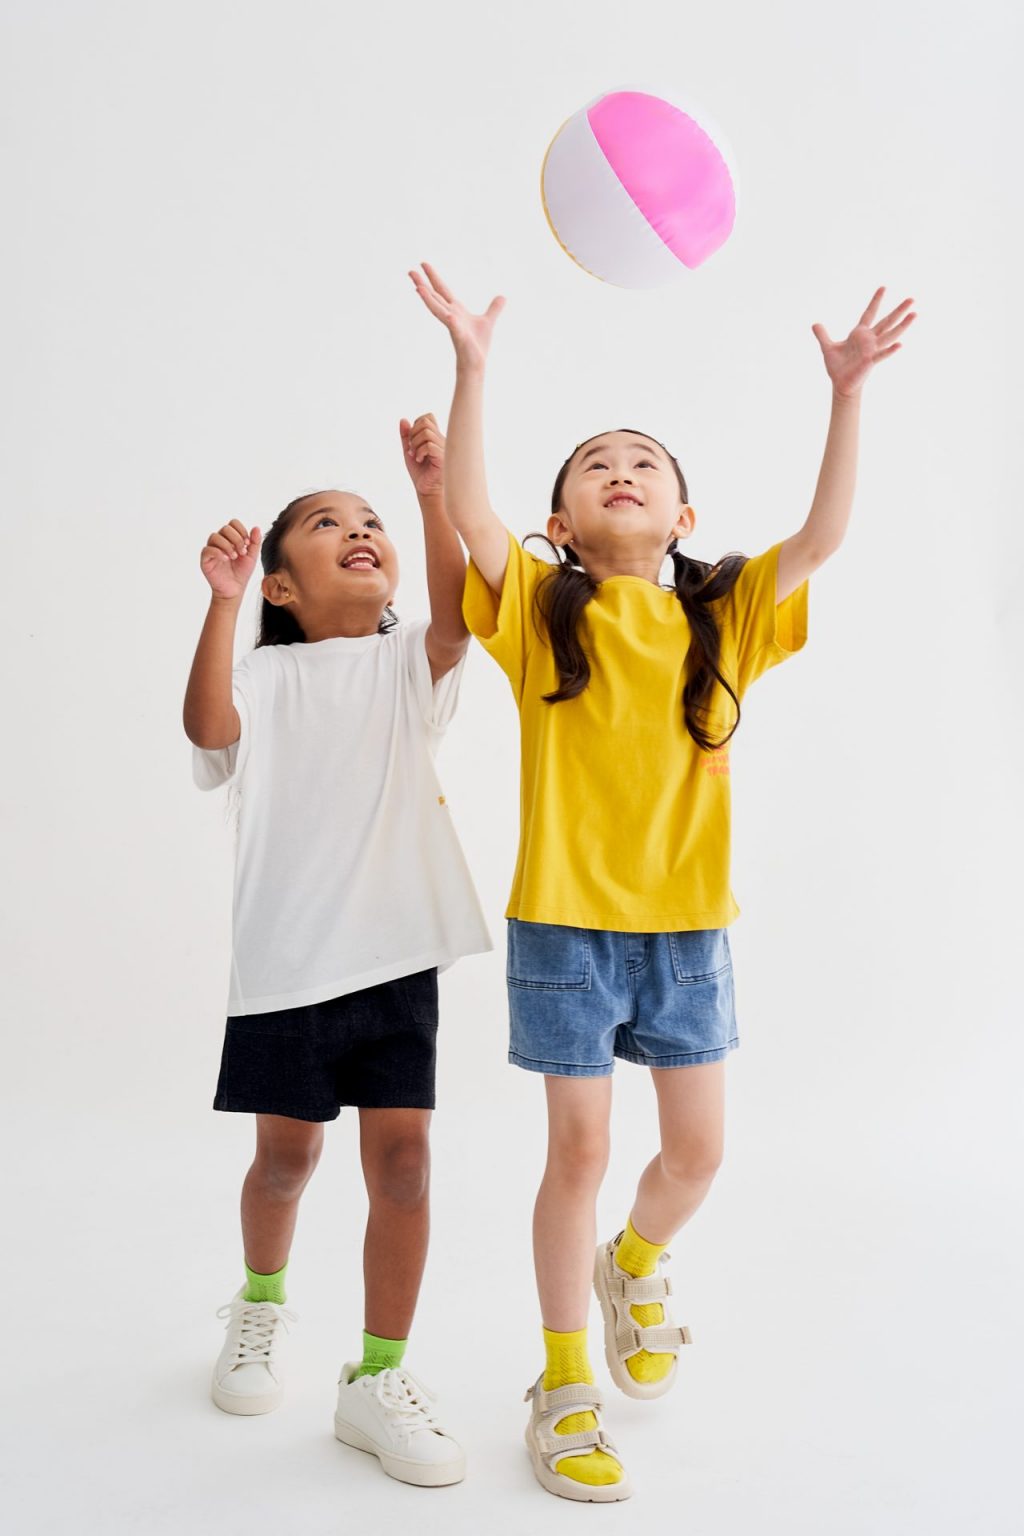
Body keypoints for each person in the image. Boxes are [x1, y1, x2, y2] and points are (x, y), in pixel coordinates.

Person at [411, 262, 915, 1501]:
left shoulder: (725, 618)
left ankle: (631, 1262)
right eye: (592, 466)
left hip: (689, 933)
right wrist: (472, 368)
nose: (620, 468)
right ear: (566, 526)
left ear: (682, 515)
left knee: (694, 1161)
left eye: (644, 461)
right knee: (574, 1155)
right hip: (567, 929)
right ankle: (565, 1382)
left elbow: (824, 537)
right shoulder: (537, 614)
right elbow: (472, 514)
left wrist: (845, 396)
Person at [183, 412, 491, 1487]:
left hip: (396, 962)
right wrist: (219, 608)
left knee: (403, 1166)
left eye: (368, 524)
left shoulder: (411, 663)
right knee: (285, 1161)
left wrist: (430, 492)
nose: (357, 532)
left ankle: (377, 1377)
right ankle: (259, 1305)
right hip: (284, 971)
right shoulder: (264, 680)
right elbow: (210, 733)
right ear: (281, 586)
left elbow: (457, 613)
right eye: (325, 526)